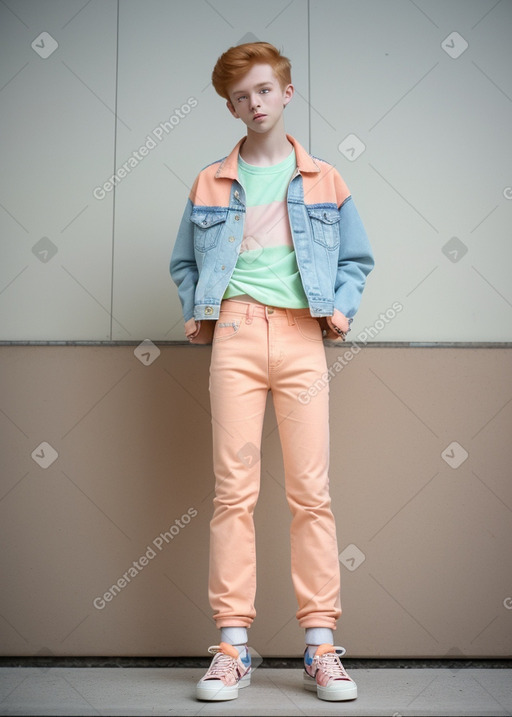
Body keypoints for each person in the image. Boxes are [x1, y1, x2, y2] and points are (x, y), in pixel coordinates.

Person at [170, 41, 374, 703]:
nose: (252, 104)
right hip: (232, 330)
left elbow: (356, 260)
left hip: (300, 336)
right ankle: (232, 647)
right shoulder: (209, 180)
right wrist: (194, 306)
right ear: (230, 106)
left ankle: (320, 646)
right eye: (239, 96)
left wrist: (341, 308)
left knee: (310, 492)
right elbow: (183, 261)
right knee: (235, 493)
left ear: (286, 92)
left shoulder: (326, 180)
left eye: (263, 90)